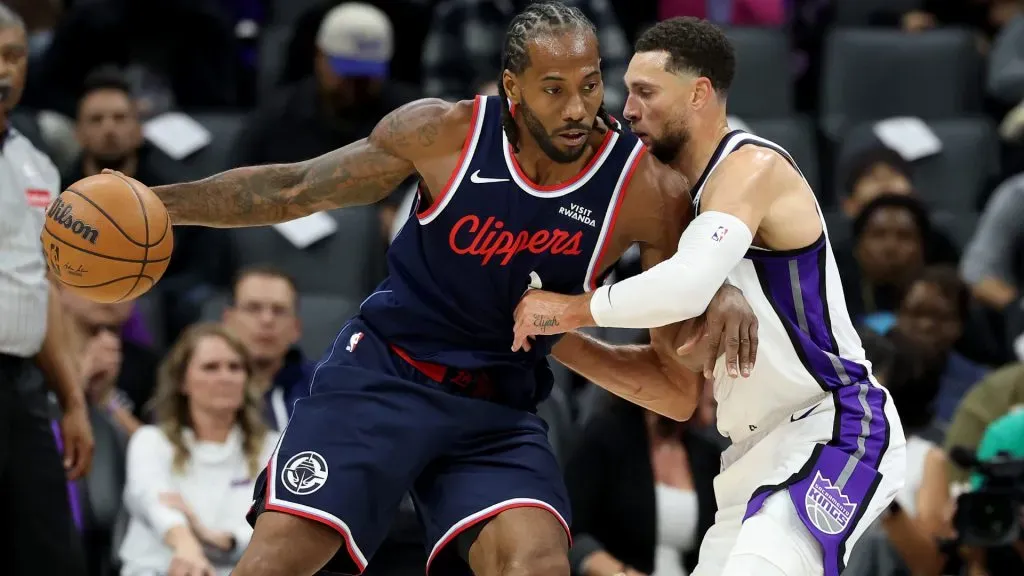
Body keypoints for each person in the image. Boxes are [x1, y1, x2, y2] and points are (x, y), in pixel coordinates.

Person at [108, 3, 758, 576]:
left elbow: (675, 393)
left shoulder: (644, 191)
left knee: (537, 564)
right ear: (511, 89)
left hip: (497, 409)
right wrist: (152, 205)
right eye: (553, 89)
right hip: (386, 377)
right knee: (278, 559)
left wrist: (573, 331)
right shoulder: (443, 134)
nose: (577, 109)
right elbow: (293, 189)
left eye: (590, 86)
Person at [511, 17, 906, 576]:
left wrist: (569, 307)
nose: (627, 109)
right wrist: (554, 339)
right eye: (627, 94)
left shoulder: (751, 166)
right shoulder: (678, 213)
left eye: (645, 92)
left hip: (835, 426)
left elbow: (689, 283)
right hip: (749, 452)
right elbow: (674, 394)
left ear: (699, 94)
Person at [0, 4, 93, 575]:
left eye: (13, 55)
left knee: (53, 556)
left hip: (22, 389)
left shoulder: (38, 165)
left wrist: (74, 401)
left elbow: (46, 292)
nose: (4, 69)